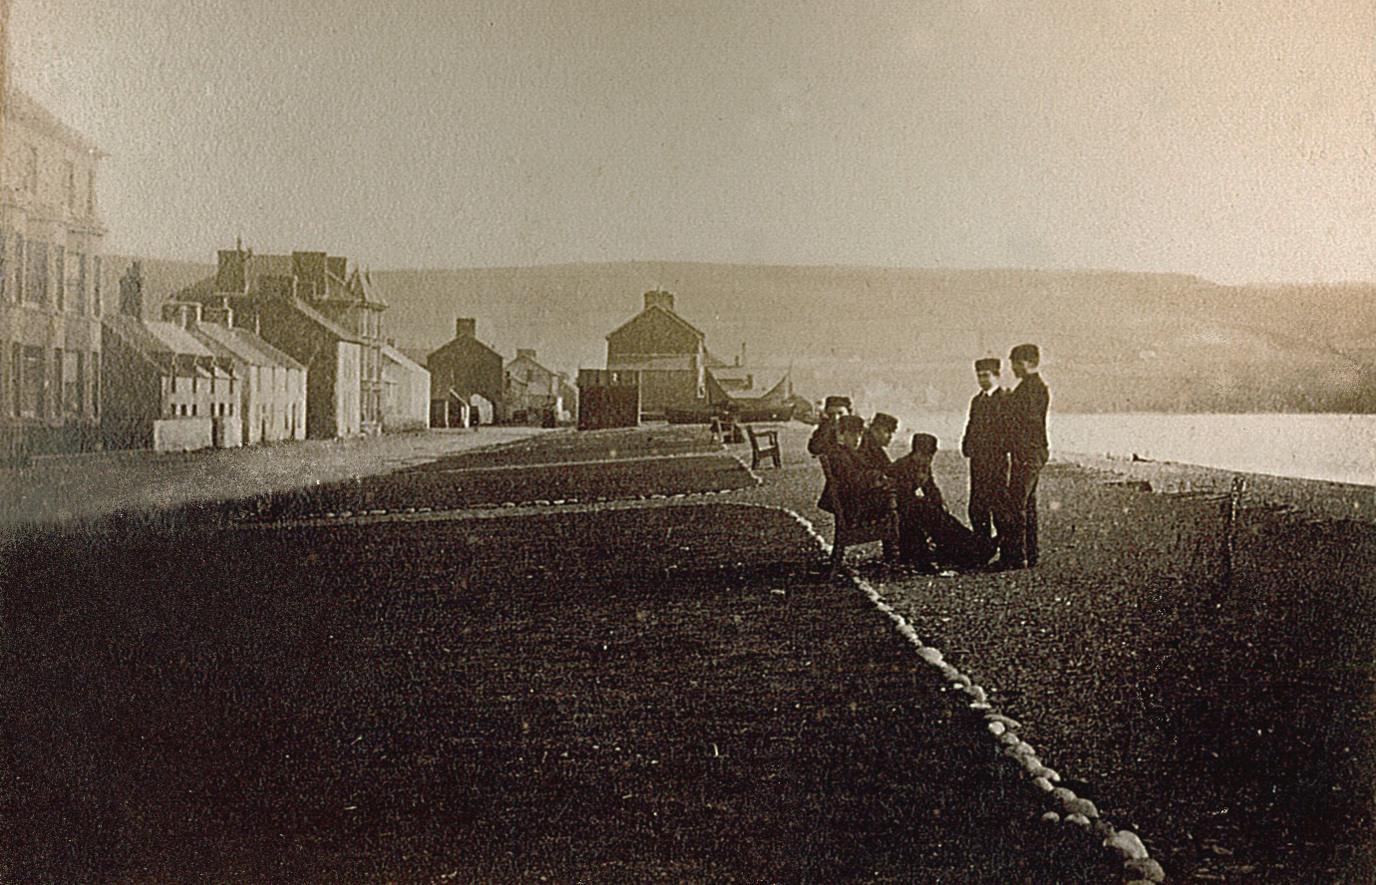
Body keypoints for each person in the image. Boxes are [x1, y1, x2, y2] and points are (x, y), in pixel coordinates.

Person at [891, 433, 995, 571]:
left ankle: (974, 546)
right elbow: (903, 496)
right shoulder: (902, 466)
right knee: (935, 518)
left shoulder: (921, 465)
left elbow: (931, 489)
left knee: (943, 517)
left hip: (913, 507)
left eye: (930, 456)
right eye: (926, 456)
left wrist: (940, 504)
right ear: (916, 452)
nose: (928, 460)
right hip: (899, 509)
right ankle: (973, 549)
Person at [992, 343, 1050, 570]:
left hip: (1028, 451)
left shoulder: (1030, 389)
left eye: (1016, 363)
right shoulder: (1034, 387)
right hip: (1032, 451)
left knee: (1015, 504)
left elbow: (1029, 420)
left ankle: (1015, 557)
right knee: (1027, 504)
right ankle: (1030, 555)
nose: (1013, 368)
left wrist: (1007, 404)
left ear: (1029, 362)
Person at [961, 357, 1009, 542]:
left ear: (997, 375)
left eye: (986, 375)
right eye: (979, 376)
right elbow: (971, 425)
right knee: (977, 505)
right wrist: (967, 445)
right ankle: (982, 545)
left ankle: (1005, 547)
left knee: (999, 504)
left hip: (997, 460)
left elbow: (1009, 430)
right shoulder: (977, 400)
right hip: (978, 460)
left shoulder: (1005, 399)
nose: (982, 380)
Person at [823, 414, 894, 525]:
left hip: (860, 501)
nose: (857, 439)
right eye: (851, 435)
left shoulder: (856, 451)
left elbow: (887, 468)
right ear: (841, 435)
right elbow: (851, 479)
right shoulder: (838, 454)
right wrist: (877, 476)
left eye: (860, 435)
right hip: (853, 507)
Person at [810, 396, 851, 513]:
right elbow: (814, 448)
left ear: (849, 413)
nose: (836, 418)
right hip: (845, 488)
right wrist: (825, 427)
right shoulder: (825, 432)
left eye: (840, 413)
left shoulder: (858, 432)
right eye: (831, 414)